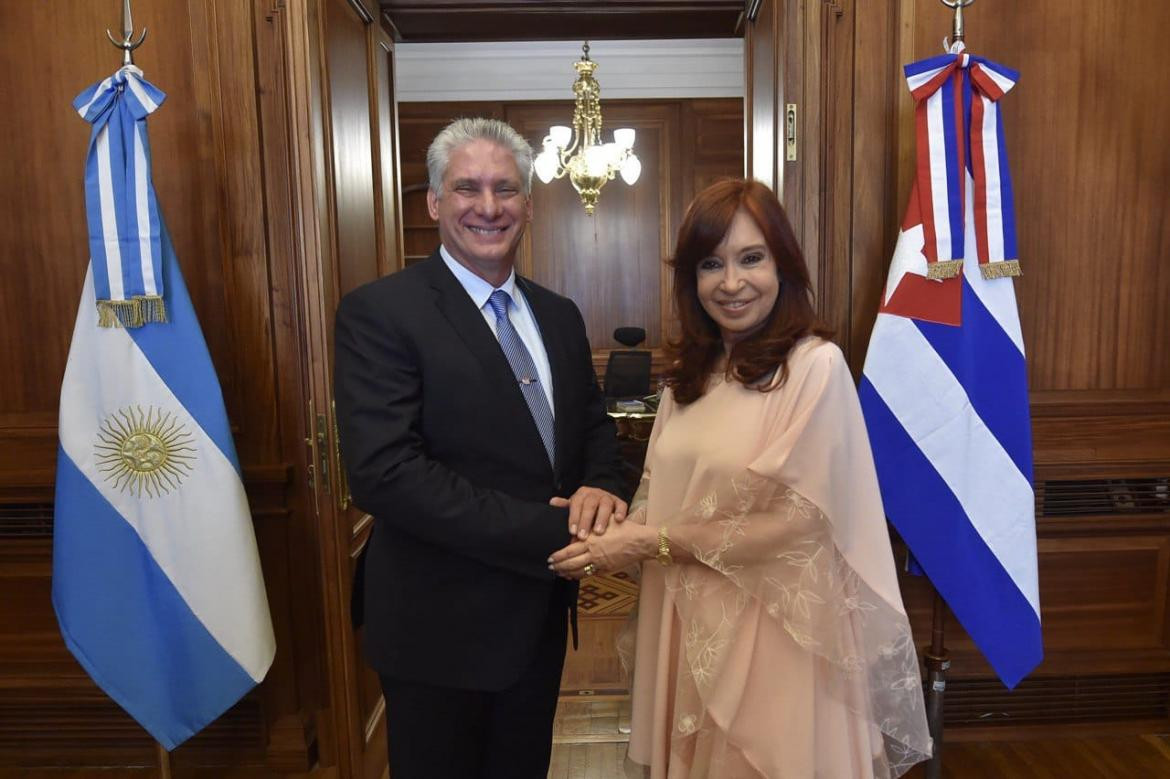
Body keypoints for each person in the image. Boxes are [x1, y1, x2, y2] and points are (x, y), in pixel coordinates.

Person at [550, 179, 932, 777]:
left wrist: (648, 542)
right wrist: (602, 528)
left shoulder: (814, 367)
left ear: (783, 264)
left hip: (773, 632)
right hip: (683, 618)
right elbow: (657, 491)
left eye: (751, 258)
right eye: (711, 264)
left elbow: (799, 523)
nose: (731, 283)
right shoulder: (689, 377)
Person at [334, 117, 628, 778]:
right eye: (468, 189)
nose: (488, 207)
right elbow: (385, 473)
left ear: (529, 203)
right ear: (436, 203)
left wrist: (604, 487)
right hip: (439, 630)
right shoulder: (380, 312)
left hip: (539, 622)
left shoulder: (559, 314)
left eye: (505, 189)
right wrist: (554, 527)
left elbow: (592, 431)